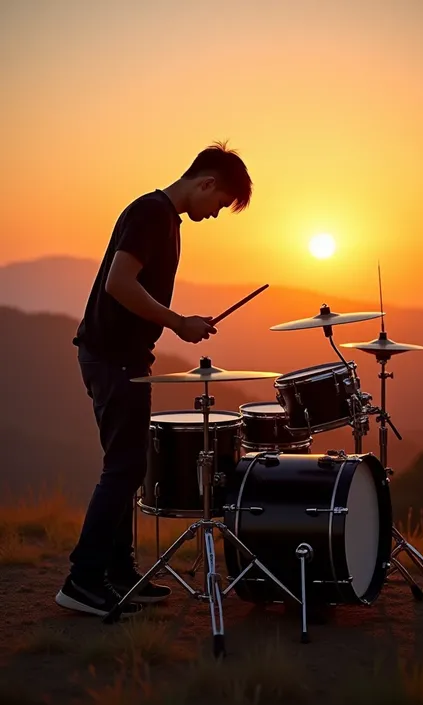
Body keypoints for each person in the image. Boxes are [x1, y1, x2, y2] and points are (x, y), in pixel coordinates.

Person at [55, 141, 253, 617]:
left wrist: (176, 322)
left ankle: (119, 574)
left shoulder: (163, 217)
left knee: (127, 469)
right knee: (122, 470)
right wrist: (177, 322)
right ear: (206, 183)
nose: (215, 215)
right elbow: (119, 283)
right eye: (220, 204)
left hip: (121, 358)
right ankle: (82, 580)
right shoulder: (152, 213)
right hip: (111, 358)